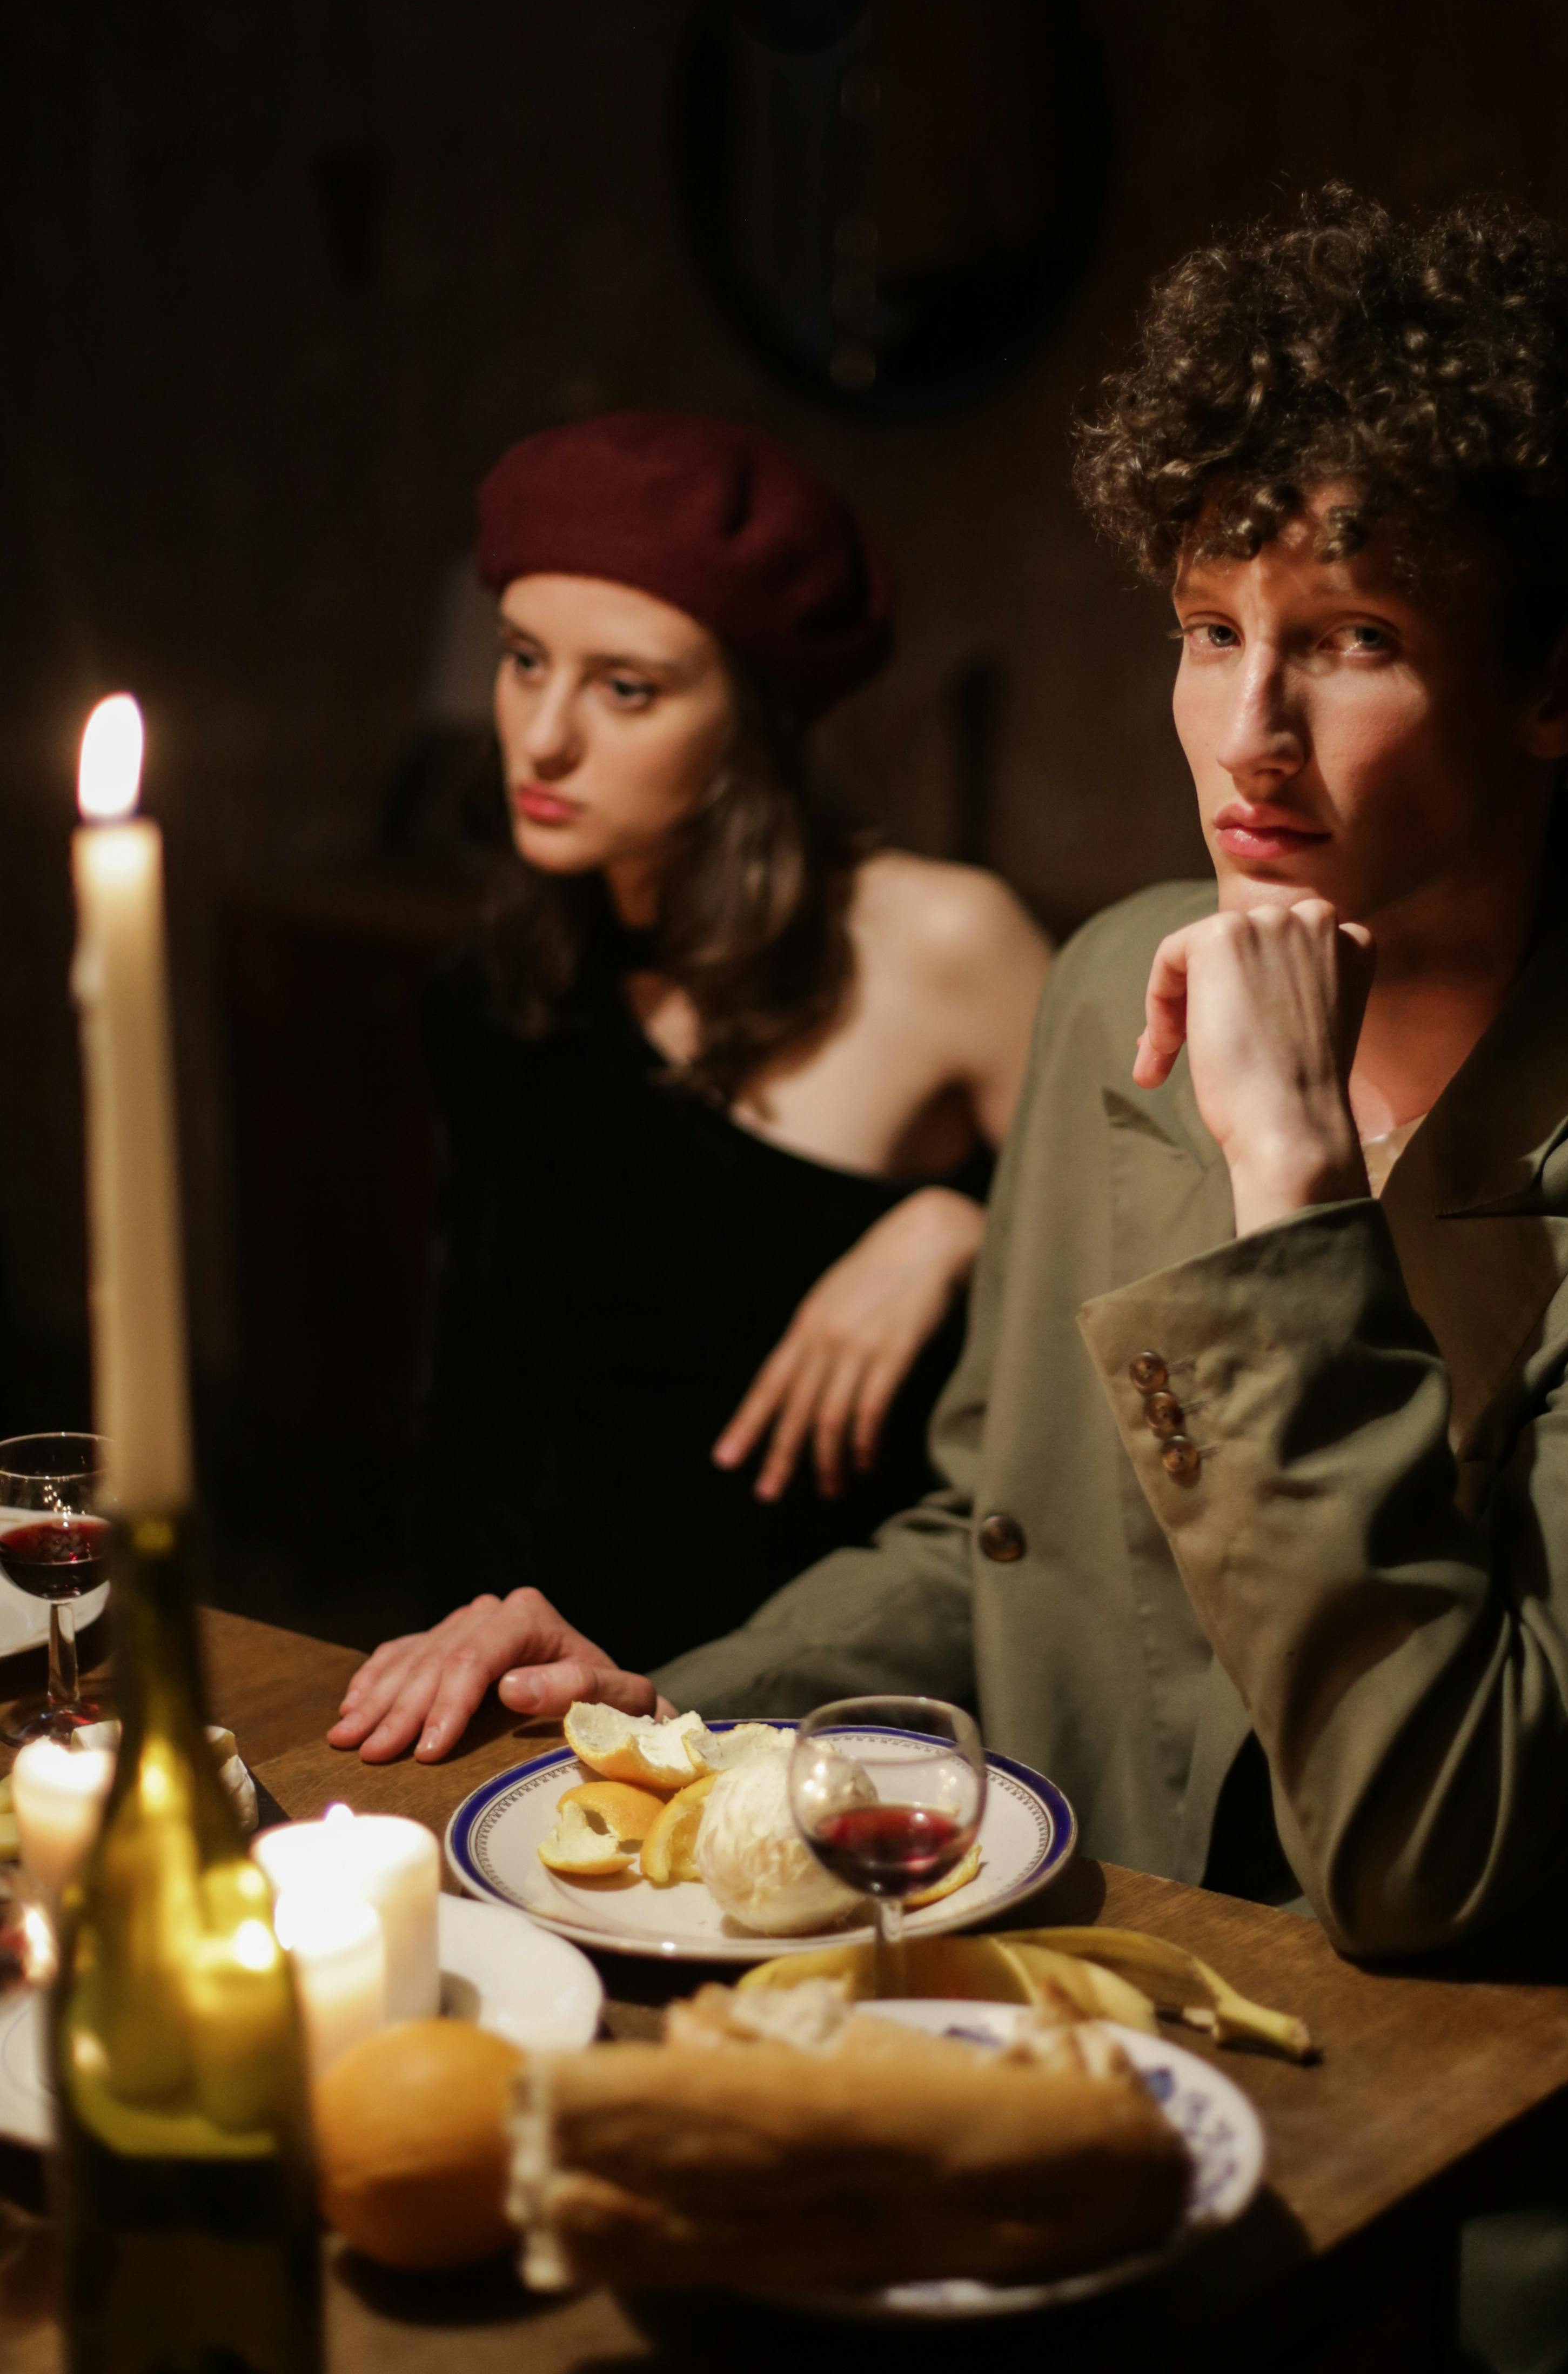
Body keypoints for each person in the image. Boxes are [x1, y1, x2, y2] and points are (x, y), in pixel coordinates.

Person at [333, 195, 1568, 2374]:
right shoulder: (1118, 984)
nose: (1241, 733)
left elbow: (1438, 1853)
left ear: (1562, 680)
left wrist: (1288, 1196)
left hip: (1443, 2193)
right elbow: (994, 1537)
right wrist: (663, 1692)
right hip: (1030, 2062)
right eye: (1204, 632)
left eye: (1351, 642)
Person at [341, 411, 1048, 1727]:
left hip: (823, 1719)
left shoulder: (948, 944)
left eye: (626, 688)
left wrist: (965, 1227)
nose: (540, 738)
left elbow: (1133, 1318)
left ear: (753, 719)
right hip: (519, 1697)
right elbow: (479, 1423)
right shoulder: (499, 979)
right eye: (520, 660)